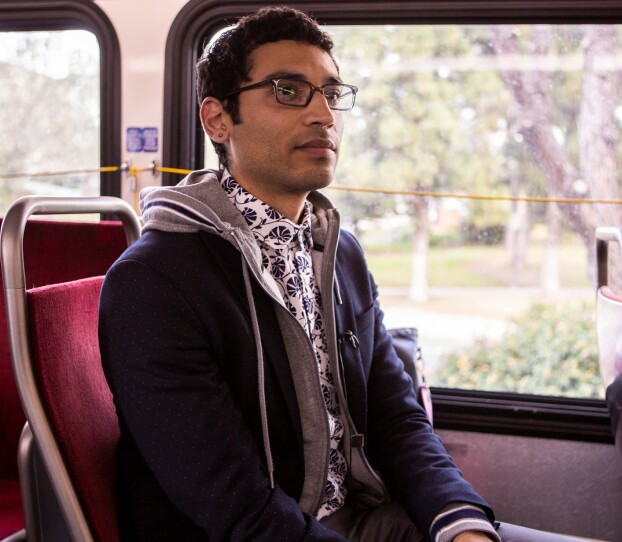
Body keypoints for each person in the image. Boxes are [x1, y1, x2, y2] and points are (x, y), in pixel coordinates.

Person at [99, 7, 583, 542]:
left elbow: (398, 423)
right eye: (289, 91)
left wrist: (460, 522)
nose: (324, 116)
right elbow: (235, 506)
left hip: (361, 516)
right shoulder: (155, 282)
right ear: (218, 120)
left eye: (332, 94)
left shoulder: (338, 253)